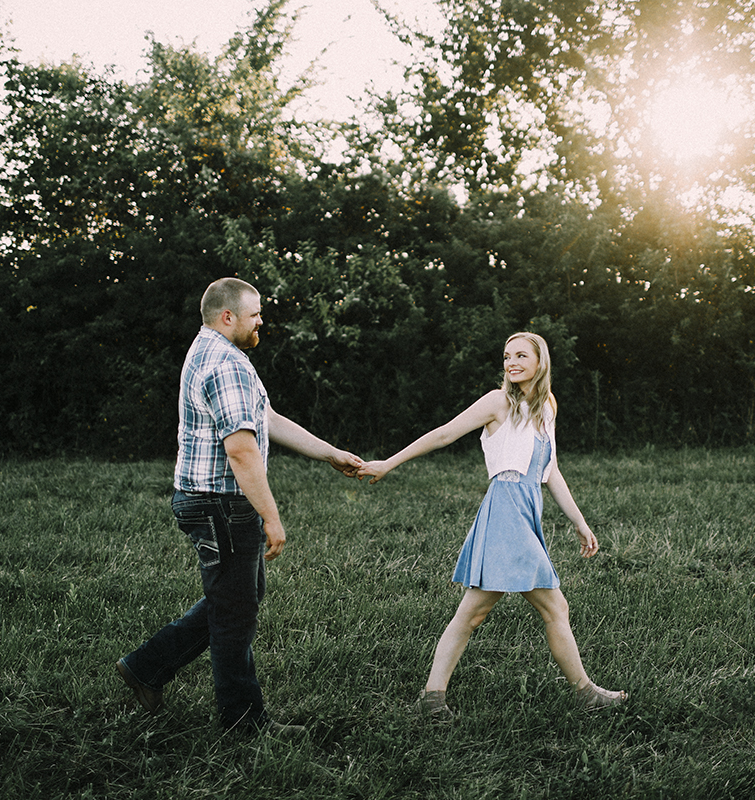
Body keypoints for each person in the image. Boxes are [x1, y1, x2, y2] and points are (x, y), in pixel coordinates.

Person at [115, 277, 363, 735]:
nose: (261, 322)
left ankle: (147, 666)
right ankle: (243, 723)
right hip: (221, 506)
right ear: (228, 316)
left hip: (210, 502)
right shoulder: (226, 364)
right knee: (235, 613)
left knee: (235, 601)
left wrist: (330, 453)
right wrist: (271, 516)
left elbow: (265, 418)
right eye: (255, 314)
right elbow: (242, 450)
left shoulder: (213, 352)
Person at [358, 332, 627, 719]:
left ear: (540, 362)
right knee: (552, 607)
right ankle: (586, 695)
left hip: (526, 511)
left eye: (521, 355)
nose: (511, 362)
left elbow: (550, 472)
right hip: (505, 511)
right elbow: (444, 434)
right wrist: (388, 463)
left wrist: (580, 523)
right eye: (506, 356)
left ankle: (432, 698)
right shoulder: (498, 402)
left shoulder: (547, 406)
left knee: (474, 614)